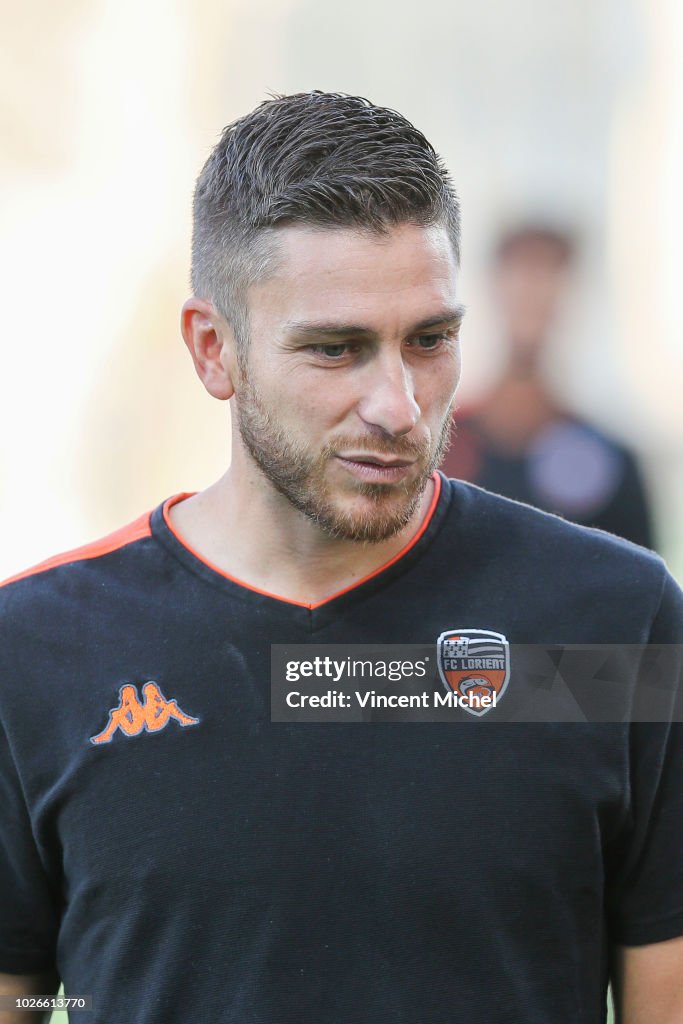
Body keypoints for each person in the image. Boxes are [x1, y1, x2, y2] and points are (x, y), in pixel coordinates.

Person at [0, 91, 681, 1024]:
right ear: (213, 349)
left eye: (431, 340)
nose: (398, 405)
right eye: (336, 349)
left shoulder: (615, 625)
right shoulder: (35, 651)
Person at [440, 224, 656, 548]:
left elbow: (644, 588)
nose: (533, 294)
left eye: (550, 276)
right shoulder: (442, 446)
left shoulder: (611, 461)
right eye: (521, 273)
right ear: (494, 288)